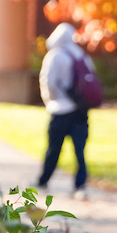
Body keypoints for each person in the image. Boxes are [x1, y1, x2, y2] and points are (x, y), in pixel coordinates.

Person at [37, 22, 95, 198]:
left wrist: (51, 101)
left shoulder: (54, 56)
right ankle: (80, 185)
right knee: (79, 150)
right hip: (80, 110)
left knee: (54, 148)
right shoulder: (82, 55)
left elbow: (48, 82)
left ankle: (43, 181)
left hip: (60, 110)